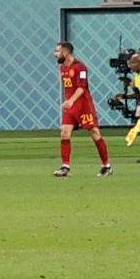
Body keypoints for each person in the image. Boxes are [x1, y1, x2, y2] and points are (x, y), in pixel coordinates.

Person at [52, 41, 112, 178]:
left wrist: (71, 100)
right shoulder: (62, 68)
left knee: (94, 133)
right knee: (64, 132)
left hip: (84, 106)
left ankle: (106, 166)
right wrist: (69, 102)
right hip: (71, 107)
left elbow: (82, 87)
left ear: (66, 52)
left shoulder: (80, 67)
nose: (55, 54)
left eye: (57, 51)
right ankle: (65, 167)